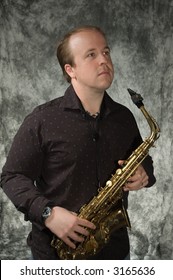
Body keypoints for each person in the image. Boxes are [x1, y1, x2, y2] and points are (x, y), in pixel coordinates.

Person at [0, 25, 156, 260]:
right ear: (70, 69)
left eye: (106, 52)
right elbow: (11, 177)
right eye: (91, 55)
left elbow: (144, 162)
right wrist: (48, 213)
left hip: (114, 253)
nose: (104, 60)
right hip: (56, 255)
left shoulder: (124, 118)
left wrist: (145, 174)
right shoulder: (42, 119)